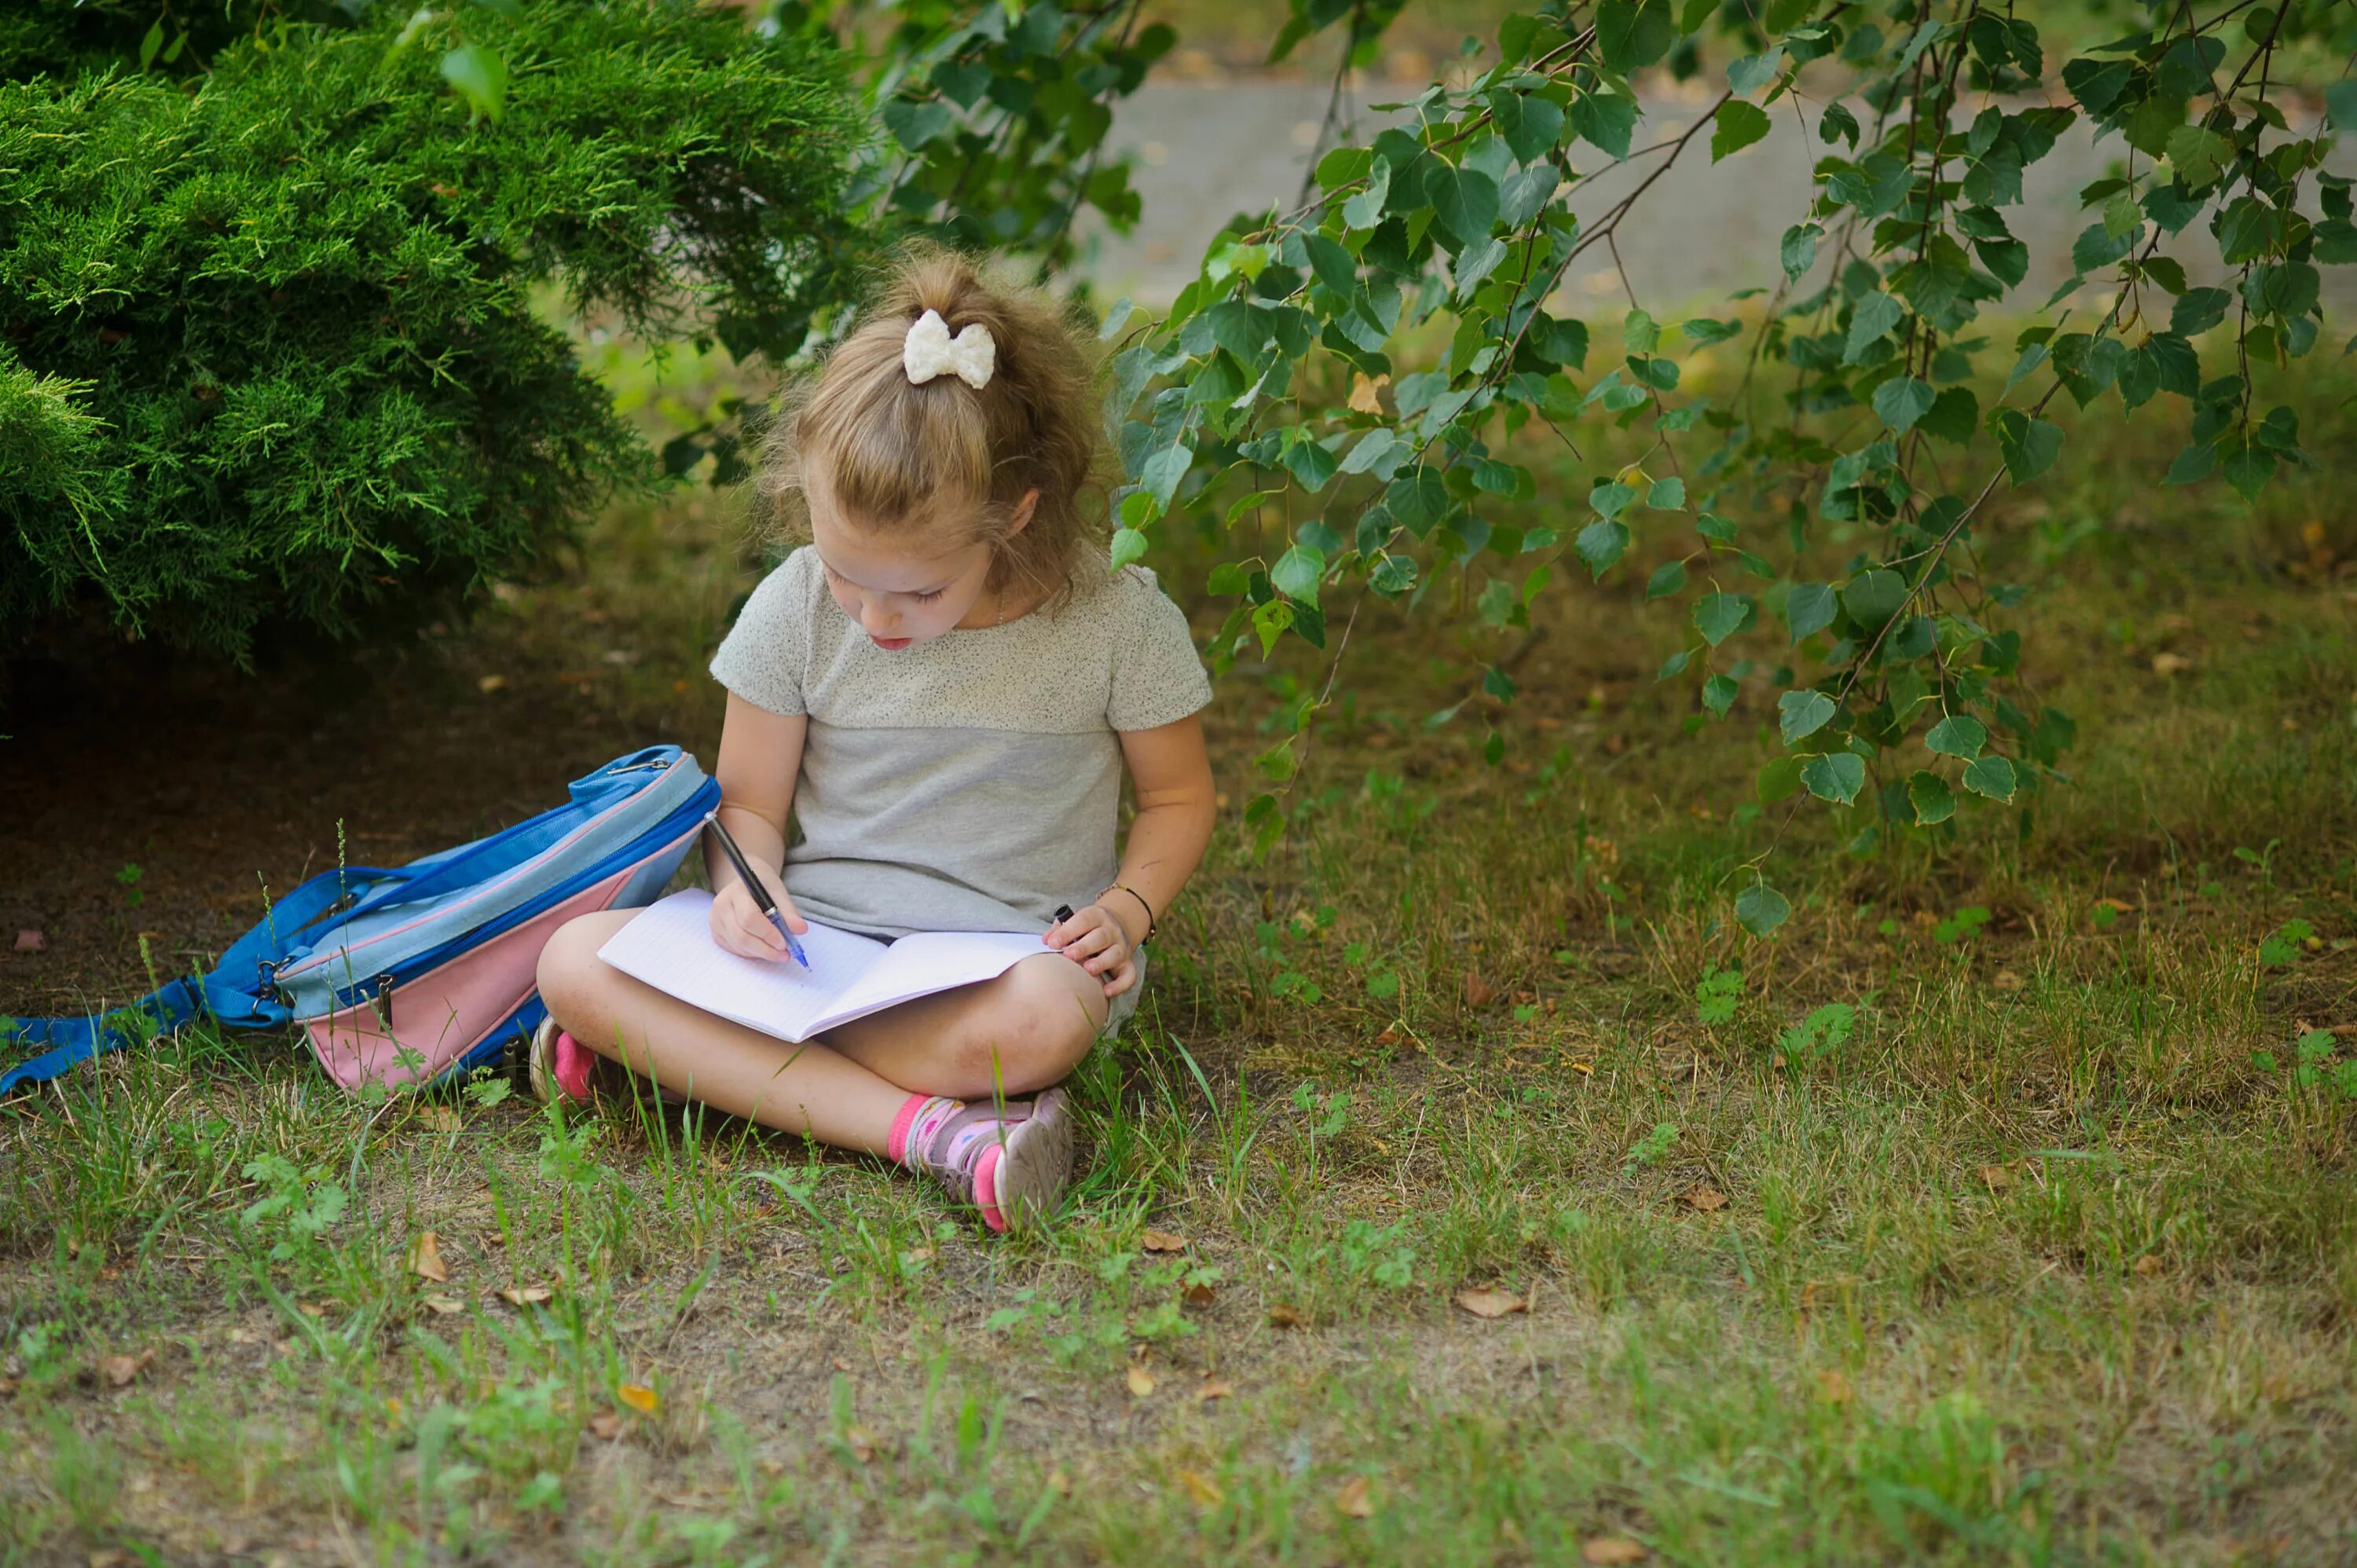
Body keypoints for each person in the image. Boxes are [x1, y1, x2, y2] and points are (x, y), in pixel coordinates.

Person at [531, 248, 1217, 1232]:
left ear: (1015, 518)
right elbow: (752, 808)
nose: (873, 618)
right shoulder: (797, 605)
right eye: (847, 573)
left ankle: (709, 1068)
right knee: (575, 961)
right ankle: (936, 1133)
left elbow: (1180, 799)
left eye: (919, 590)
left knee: (1046, 1019)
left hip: (996, 967)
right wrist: (745, 886)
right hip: (815, 956)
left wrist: (1127, 909)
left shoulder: (1114, 620)